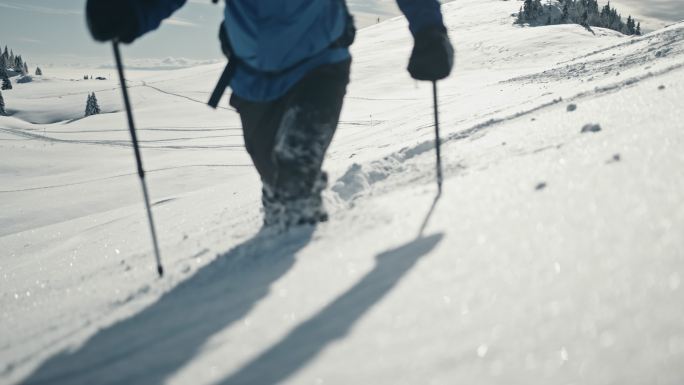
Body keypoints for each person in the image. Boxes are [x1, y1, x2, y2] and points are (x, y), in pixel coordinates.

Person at [85, 0, 453, 229]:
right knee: (277, 176)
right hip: (252, 80)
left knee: (294, 168)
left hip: (320, 65)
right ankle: (279, 229)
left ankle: (303, 272)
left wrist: (429, 30)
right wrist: (128, 11)